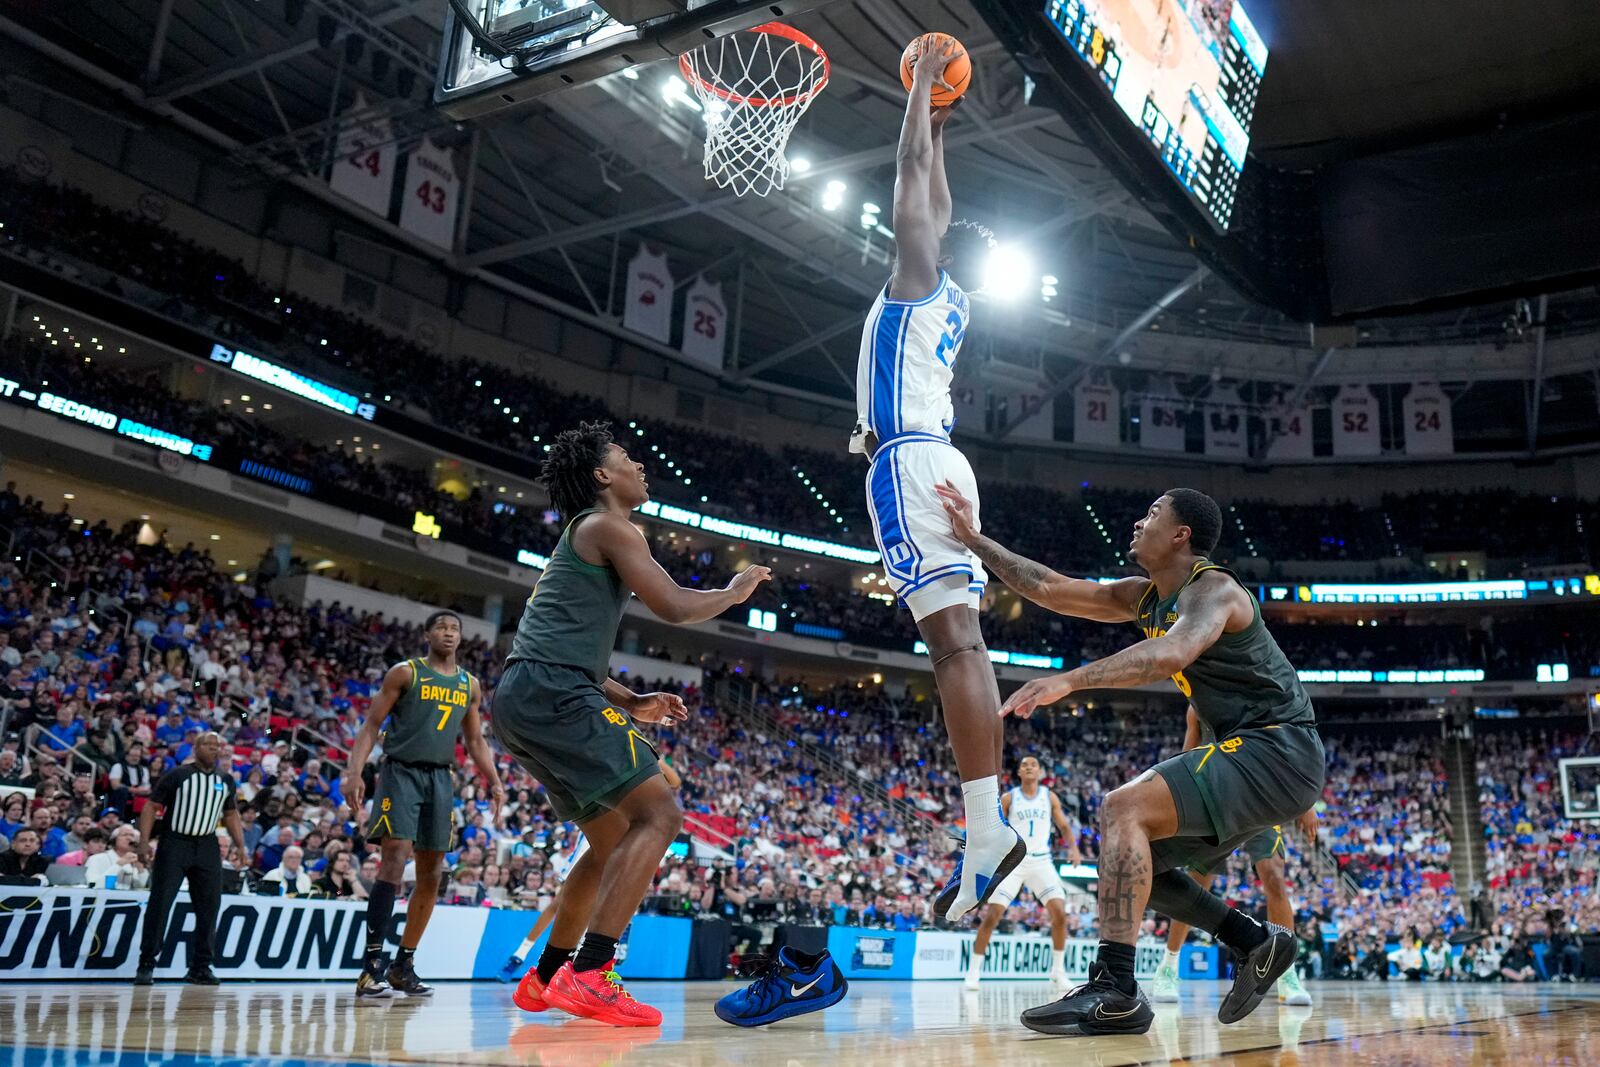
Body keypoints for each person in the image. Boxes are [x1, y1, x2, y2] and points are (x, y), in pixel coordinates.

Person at [938, 485, 1325, 1036]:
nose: (1139, 522)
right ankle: (1253, 940)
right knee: (1137, 861)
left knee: (1123, 808)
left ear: (1181, 535)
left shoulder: (1213, 589)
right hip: (1257, 757)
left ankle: (1117, 987)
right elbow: (1050, 588)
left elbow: (1169, 653)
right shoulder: (1143, 597)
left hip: (1278, 749)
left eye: (1152, 514)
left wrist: (1069, 680)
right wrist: (974, 541)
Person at [493, 421, 770, 1026]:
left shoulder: (586, 534)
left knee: (612, 837)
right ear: (601, 476)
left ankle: (544, 979)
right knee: (662, 813)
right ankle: (591, 973)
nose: (640, 468)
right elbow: (673, 605)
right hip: (554, 693)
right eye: (627, 459)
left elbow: (561, 648)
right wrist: (734, 590)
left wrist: (628, 698)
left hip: (531, 694)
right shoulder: (608, 526)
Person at [850, 32, 1023, 925]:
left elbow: (910, 174)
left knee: (954, 646)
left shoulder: (916, 280)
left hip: (911, 461)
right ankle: (985, 828)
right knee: (965, 645)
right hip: (936, 456)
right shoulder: (943, 293)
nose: (919, 216)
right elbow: (937, 190)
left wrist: (920, 92)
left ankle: (987, 830)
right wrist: (946, 116)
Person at [343, 610, 505, 1000]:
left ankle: (404, 964)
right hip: (400, 772)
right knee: (395, 856)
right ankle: (371, 967)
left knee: (432, 873)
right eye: (442, 628)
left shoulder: (469, 684)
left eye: (455, 629)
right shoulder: (405, 672)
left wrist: (495, 780)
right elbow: (370, 726)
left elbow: (476, 741)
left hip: (440, 778)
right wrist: (354, 772)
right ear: (427, 633)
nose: (449, 633)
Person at [1151, 705, 1316, 1007]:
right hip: (1215, 798)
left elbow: (1288, 749)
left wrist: (1306, 803)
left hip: (1258, 797)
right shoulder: (1197, 707)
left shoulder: (1260, 697)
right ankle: (1169, 965)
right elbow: (1188, 755)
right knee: (1198, 882)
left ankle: (1287, 973)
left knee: (1275, 877)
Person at [500, 759, 682, 992]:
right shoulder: (611, 745)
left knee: (615, 902)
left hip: (631, 838)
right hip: (600, 828)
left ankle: (589, 969)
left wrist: (651, 755)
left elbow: (675, 781)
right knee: (562, 901)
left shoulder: (641, 756)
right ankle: (520, 954)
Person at [134, 731, 248, 985]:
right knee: (161, 903)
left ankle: (200, 966)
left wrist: (241, 846)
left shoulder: (225, 779)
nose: (214, 749)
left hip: (207, 844)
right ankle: (146, 964)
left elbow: (230, 814)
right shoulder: (178, 775)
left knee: (209, 907)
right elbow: (151, 807)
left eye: (217, 746)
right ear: (195, 748)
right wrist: (143, 841)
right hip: (175, 842)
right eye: (208, 745)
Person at [967, 756, 1081, 990]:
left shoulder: (1049, 797)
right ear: (1019, 772)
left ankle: (1058, 972)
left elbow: (1065, 826)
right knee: (992, 915)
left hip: (1041, 862)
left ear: (1040, 772)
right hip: (1014, 863)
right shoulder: (1009, 798)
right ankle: (973, 972)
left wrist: (1074, 849)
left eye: (1034, 765)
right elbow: (993, 827)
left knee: (1059, 913)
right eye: (1025, 765)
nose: (1029, 767)